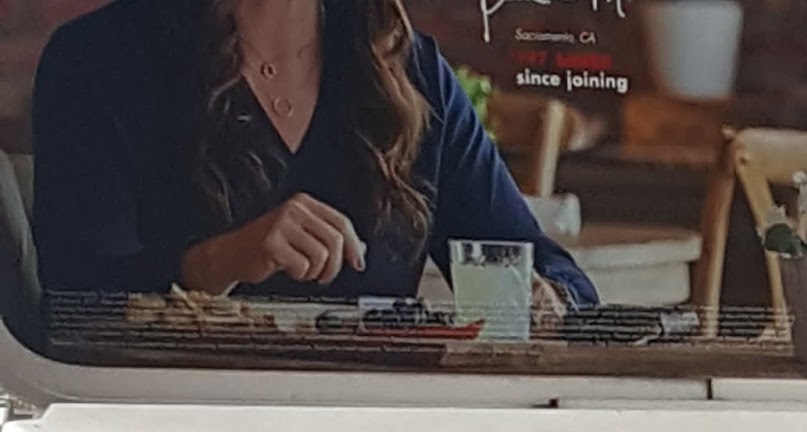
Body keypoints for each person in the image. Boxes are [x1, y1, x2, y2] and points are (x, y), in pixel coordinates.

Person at [30, 0, 594, 313]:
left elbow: (553, 275)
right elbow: (71, 304)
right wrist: (214, 265)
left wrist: (547, 303)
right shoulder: (96, 62)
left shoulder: (411, 73)